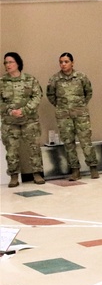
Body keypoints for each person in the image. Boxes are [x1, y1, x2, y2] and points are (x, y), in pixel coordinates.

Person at [46, 52, 98, 180]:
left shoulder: (81, 77)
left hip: (81, 115)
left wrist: (80, 105)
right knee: (68, 143)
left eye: (66, 61)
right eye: (61, 62)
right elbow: (51, 96)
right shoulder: (54, 79)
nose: (63, 64)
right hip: (64, 116)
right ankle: (75, 170)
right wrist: (61, 107)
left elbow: (88, 92)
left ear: (72, 63)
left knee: (86, 141)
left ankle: (93, 168)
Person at [1, 52, 44, 186]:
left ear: (18, 63)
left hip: (29, 121)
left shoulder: (30, 80)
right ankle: (14, 176)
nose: (8, 65)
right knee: (11, 150)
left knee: (34, 148)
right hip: (10, 123)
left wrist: (25, 110)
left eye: (10, 62)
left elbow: (37, 96)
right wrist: (10, 111)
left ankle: (37, 174)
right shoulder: (2, 82)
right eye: (5, 63)